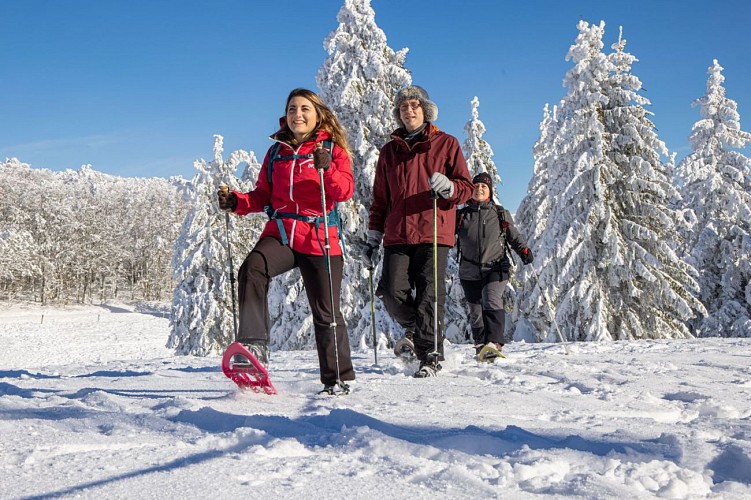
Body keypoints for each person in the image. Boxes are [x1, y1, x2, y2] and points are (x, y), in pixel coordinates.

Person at [218, 88, 355, 394]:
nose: (298, 114)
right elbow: (262, 195)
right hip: (282, 232)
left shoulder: (332, 150)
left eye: (305, 108)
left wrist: (327, 168)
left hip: (320, 235)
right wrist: (237, 202)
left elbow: (344, 190)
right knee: (252, 268)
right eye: (292, 109)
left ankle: (337, 380)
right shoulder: (277, 152)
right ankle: (253, 347)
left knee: (326, 311)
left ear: (317, 114)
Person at [363, 85, 474, 378]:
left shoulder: (446, 144)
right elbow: (381, 200)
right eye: (403, 107)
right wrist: (373, 236)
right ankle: (415, 330)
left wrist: (450, 188)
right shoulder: (389, 152)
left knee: (429, 296)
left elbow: (466, 187)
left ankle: (430, 355)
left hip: (432, 232)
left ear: (425, 110)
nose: (408, 110)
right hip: (397, 234)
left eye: (414, 105)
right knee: (390, 292)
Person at [455, 172, 533, 358]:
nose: (479, 189)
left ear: (489, 191)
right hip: (469, 269)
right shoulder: (461, 216)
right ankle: (481, 345)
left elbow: (513, 236)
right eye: (476, 186)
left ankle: (495, 343)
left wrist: (523, 251)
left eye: (483, 186)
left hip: (496, 266)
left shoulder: (499, 213)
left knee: (491, 298)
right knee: (475, 311)